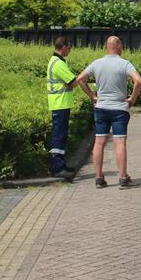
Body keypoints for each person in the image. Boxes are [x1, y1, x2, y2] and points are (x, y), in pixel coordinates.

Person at [76, 36, 141, 189]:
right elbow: (138, 81)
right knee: (119, 142)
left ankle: (99, 178)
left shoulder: (97, 63)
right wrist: (132, 99)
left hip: (101, 108)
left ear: (107, 47)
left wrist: (92, 96)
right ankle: (123, 179)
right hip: (119, 109)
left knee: (99, 142)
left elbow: (80, 79)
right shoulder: (124, 63)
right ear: (118, 45)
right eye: (121, 44)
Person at [46, 36, 79, 181]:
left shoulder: (56, 62)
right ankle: (57, 168)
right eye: (69, 47)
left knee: (61, 135)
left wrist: (70, 83)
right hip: (60, 104)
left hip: (60, 104)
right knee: (58, 136)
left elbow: (70, 82)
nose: (70, 50)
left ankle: (61, 165)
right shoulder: (58, 63)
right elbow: (73, 81)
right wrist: (76, 80)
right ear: (63, 46)